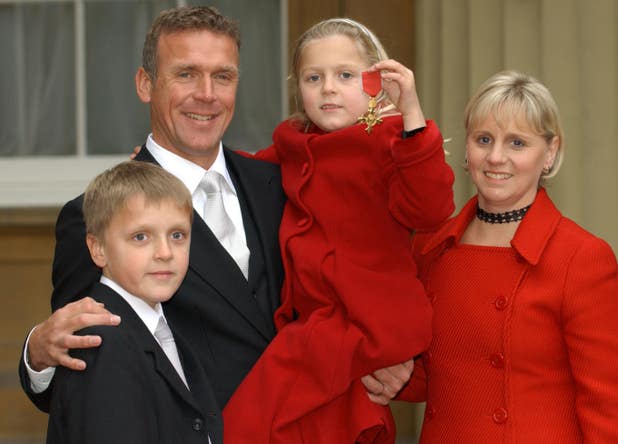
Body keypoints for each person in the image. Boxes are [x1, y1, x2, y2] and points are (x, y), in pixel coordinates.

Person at [19, 5, 409, 428]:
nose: (207, 93)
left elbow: (353, 273)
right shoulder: (95, 215)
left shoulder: (284, 183)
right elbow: (81, 372)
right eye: (186, 74)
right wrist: (37, 353)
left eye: (222, 76)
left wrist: (383, 354)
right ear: (145, 84)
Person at [222, 18, 455, 443]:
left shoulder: (392, 142)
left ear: (375, 81)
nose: (328, 87)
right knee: (326, 425)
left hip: (367, 320)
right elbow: (245, 171)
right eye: (315, 77)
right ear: (299, 87)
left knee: (251, 418)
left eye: (345, 75)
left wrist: (412, 115)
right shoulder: (294, 145)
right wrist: (174, 168)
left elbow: (430, 209)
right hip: (325, 322)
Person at [399, 70, 618, 443]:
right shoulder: (431, 246)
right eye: (484, 139)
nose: (496, 157)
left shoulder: (582, 257)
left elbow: (608, 412)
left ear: (550, 152)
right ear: (467, 148)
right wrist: (385, 373)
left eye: (517, 143)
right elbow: (435, 377)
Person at [47, 161, 220, 444]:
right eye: (141, 237)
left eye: (177, 235)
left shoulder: (162, 327)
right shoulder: (102, 343)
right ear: (98, 249)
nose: (165, 252)